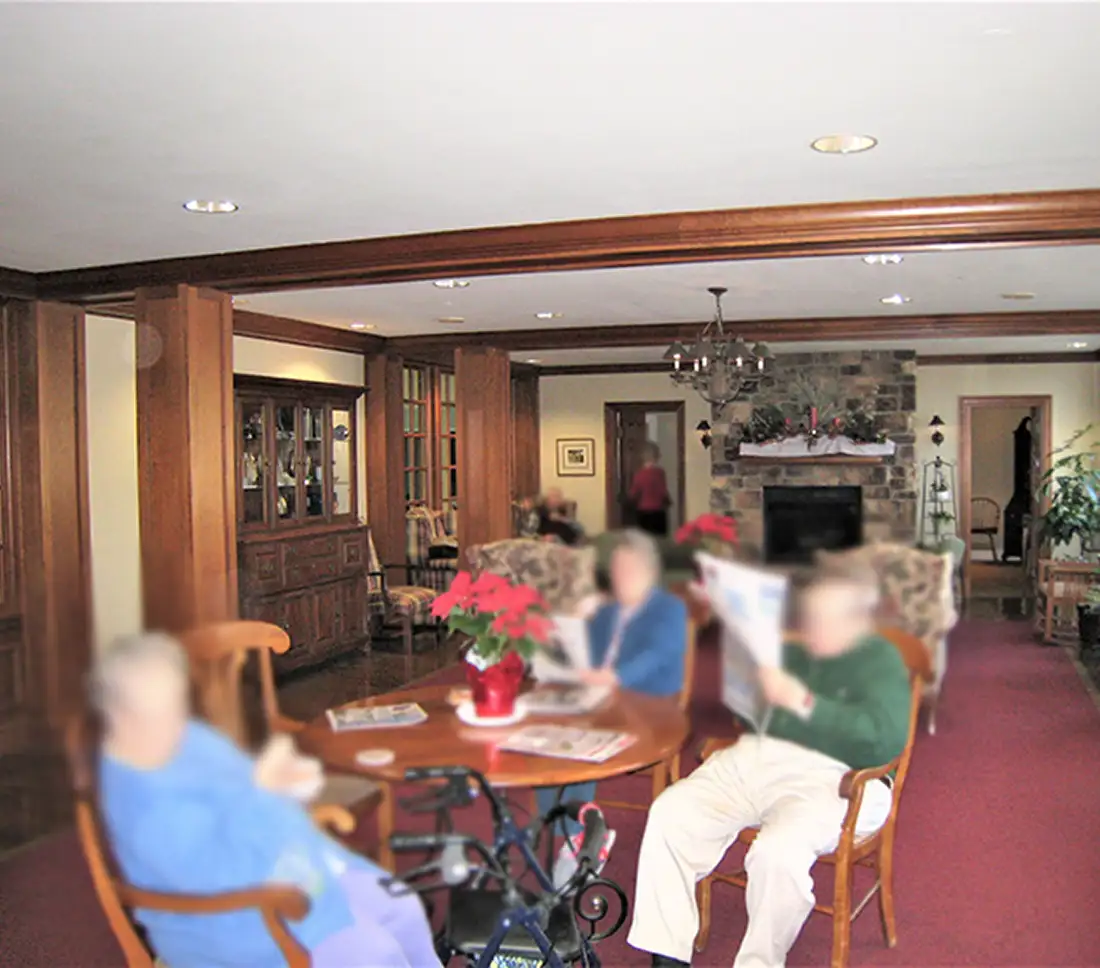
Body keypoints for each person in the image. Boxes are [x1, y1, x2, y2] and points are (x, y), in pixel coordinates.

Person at [94, 632, 442, 968]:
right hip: (235, 921)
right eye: (161, 710)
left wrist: (278, 784)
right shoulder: (144, 805)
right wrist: (265, 795)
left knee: (401, 905)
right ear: (122, 719)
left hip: (288, 868)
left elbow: (245, 783)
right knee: (373, 953)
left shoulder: (183, 738)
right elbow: (219, 875)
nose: (177, 721)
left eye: (176, 704)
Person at [627, 565, 911, 968]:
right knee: (671, 813)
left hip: (840, 777)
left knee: (778, 853)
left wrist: (809, 705)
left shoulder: (879, 663)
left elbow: (882, 741)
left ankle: (759, 962)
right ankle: (668, 956)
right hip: (761, 758)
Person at [534, 529, 687, 884]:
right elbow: (585, 656)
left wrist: (613, 677)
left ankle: (579, 838)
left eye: (629, 569)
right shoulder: (605, 612)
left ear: (650, 572)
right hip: (602, 698)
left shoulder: (669, 609)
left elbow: (657, 654)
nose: (621, 577)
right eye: (617, 569)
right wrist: (558, 651)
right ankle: (566, 834)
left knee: (583, 739)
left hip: (650, 704)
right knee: (543, 734)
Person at [628, 443, 671, 537]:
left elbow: (633, 494)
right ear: (656, 457)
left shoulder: (639, 474)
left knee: (645, 539)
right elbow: (663, 491)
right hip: (658, 511)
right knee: (659, 540)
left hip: (644, 511)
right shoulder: (660, 473)